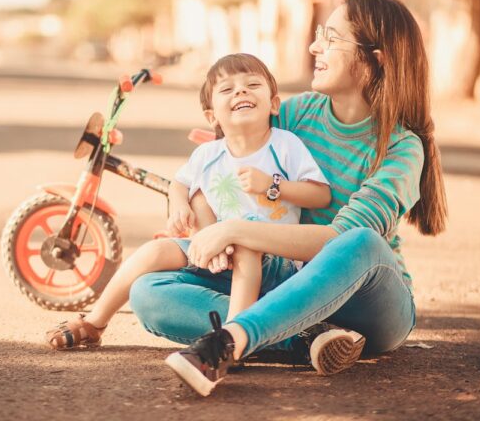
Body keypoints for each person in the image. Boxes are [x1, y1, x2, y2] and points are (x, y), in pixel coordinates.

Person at [130, 0, 448, 397]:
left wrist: (235, 230)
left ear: (375, 59)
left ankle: (231, 341)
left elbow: (335, 240)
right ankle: (308, 337)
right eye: (319, 35)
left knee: (361, 241)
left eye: (331, 38)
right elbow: (211, 174)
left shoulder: (403, 149)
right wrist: (209, 228)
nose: (315, 47)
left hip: (370, 303)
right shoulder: (296, 115)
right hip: (281, 277)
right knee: (148, 291)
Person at [45, 53, 331, 350]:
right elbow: (179, 185)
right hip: (222, 255)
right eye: (227, 89)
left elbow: (320, 195)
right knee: (154, 251)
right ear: (212, 117)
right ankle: (94, 323)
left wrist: (274, 186)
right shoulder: (208, 154)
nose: (241, 91)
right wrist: (180, 205)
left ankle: (233, 340)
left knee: (245, 237)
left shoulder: (284, 145)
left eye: (252, 85)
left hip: (275, 261)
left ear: (273, 104)